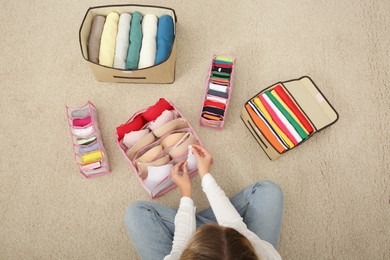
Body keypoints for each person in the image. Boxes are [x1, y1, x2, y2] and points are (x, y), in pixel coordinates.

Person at [125, 144, 284, 260]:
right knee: (267, 191)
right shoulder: (266, 255)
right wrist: (206, 177)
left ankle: (195, 221)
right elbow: (235, 224)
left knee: (136, 213)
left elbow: (180, 246)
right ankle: (202, 222)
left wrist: (186, 196)